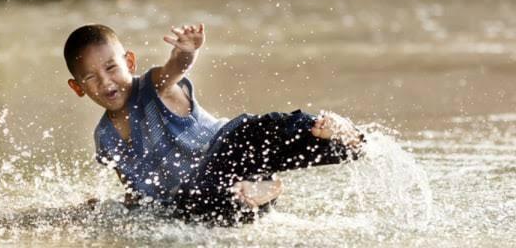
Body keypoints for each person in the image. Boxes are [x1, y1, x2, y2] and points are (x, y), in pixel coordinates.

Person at [64, 23, 364, 225]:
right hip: (217, 198)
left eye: (111, 67)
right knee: (183, 207)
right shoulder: (106, 138)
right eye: (90, 78)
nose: (105, 82)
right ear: (78, 88)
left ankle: (338, 136)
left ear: (129, 62)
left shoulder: (155, 87)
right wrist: (115, 209)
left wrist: (187, 52)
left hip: (233, 152)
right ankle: (257, 192)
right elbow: (137, 191)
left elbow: (175, 69)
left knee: (257, 130)